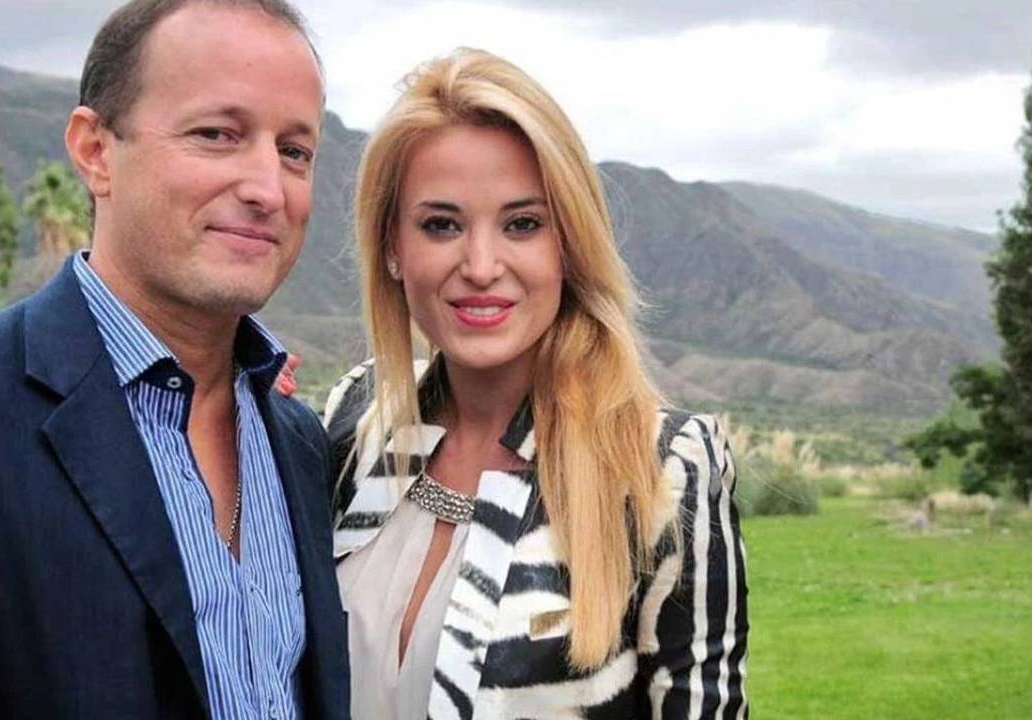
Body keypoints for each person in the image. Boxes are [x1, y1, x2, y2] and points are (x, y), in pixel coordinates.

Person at [0, 0, 347, 717]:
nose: (266, 188)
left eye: (294, 152)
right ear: (96, 151)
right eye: (217, 134)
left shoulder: (301, 440)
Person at [321, 49, 749, 719]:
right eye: (441, 224)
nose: (481, 266)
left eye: (522, 224)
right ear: (393, 248)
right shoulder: (356, 420)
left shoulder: (661, 467)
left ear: (569, 243)